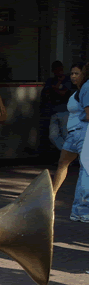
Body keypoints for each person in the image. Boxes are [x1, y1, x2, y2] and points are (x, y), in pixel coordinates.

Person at [51, 63, 89, 201]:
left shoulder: (86, 90)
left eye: (77, 73)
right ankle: (52, 195)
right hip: (73, 134)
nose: (73, 76)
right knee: (62, 164)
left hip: (83, 134)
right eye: (72, 73)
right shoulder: (76, 92)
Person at [43, 61, 75, 152]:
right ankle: (69, 154)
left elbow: (63, 93)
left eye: (60, 69)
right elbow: (46, 94)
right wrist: (56, 87)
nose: (58, 71)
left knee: (66, 136)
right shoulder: (51, 81)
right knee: (53, 136)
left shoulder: (67, 80)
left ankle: (69, 157)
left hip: (65, 111)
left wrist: (54, 88)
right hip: (53, 111)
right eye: (56, 69)